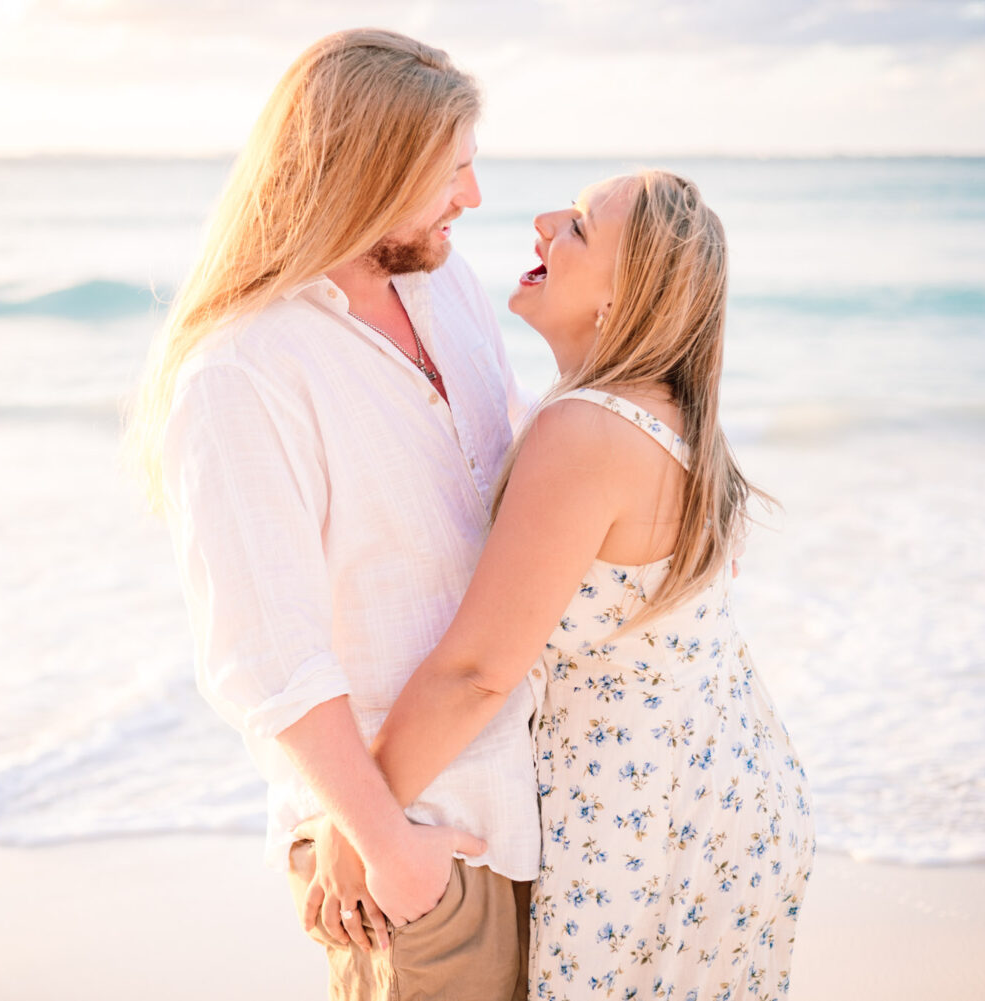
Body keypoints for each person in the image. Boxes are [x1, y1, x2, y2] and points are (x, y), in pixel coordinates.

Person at [315, 171, 817, 999]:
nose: (545, 222)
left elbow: (478, 670)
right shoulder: (670, 413)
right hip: (730, 799)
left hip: (647, 821)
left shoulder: (586, 429)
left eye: (580, 226)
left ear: (621, 304)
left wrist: (358, 817)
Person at [133, 28, 538, 1001]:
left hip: (534, 808)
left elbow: (516, 510)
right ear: (367, 170)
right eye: (452, 171)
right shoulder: (243, 367)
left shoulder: (449, 288)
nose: (473, 199)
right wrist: (384, 840)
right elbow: (265, 652)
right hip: (413, 849)